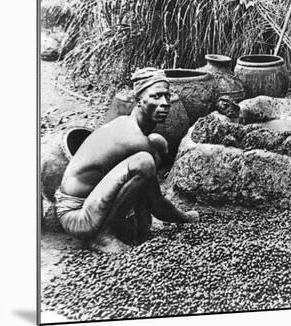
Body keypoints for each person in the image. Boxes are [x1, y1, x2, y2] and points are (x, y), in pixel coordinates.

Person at [54, 68, 199, 254]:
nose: (164, 103)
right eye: (156, 96)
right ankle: (103, 236)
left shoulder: (128, 124)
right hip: (78, 218)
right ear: (139, 100)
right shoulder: (134, 138)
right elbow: (157, 204)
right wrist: (185, 218)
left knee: (157, 143)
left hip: (93, 204)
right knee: (145, 162)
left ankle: (133, 225)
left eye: (167, 97)